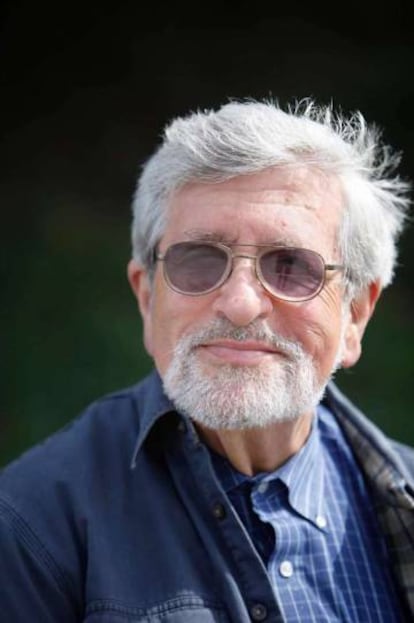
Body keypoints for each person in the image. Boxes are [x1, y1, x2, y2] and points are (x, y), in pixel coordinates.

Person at [0, 98, 413, 623]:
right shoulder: (29, 525)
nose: (240, 303)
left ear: (354, 315)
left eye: (289, 265)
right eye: (199, 260)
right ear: (148, 297)